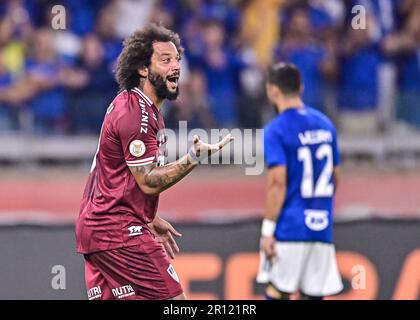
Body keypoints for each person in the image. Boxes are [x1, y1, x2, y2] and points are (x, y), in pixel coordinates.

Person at [75, 23, 233, 300]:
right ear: (142, 69)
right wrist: (193, 158)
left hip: (100, 230)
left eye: (177, 60)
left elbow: (116, 176)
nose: (176, 67)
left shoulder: (137, 107)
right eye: (165, 60)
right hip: (119, 233)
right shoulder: (137, 114)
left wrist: (149, 216)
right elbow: (147, 182)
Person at [257, 62, 343, 300]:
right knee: (311, 293)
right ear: (301, 88)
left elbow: (277, 183)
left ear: (272, 90)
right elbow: (335, 178)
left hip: (291, 226)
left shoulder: (276, 129)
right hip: (322, 227)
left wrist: (268, 231)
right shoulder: (326, 125)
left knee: (278, 290)